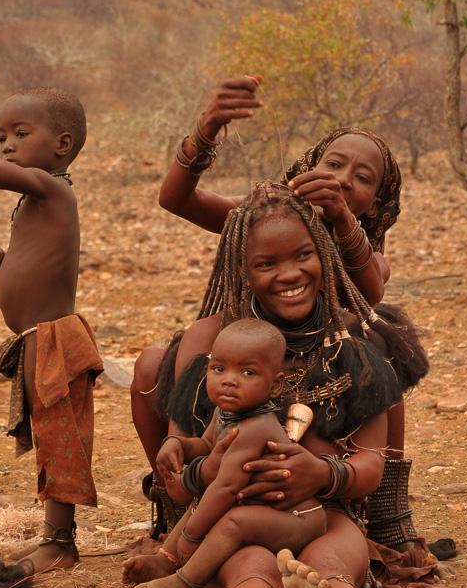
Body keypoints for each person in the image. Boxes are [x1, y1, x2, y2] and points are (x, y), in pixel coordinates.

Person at [126, 180, 435, 588]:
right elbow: (183, 473)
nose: (288, 274)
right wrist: (207, 473)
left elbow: (372, 463)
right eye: (266, 264)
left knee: (333, 566)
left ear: (324, 256)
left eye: (303, 255)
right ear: (241, 271)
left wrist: (323, 474)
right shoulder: (217, 345)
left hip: (325, 510)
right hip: (233, 519)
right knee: (250, 571)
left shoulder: (351, 344)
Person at [132, 76, 420, 552]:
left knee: (379, 354)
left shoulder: (360, 247)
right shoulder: (261, 217)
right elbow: (175, 199)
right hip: (249, 360)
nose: (345, 178)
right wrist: (207, 130)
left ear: (374, 204)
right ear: (308, 166)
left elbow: (370, 294)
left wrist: (343, 223)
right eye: (334, 163)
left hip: (317, 382)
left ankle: (388, 515)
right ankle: (179, 508)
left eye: (363, 178)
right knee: (159, 360)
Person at [0, 87, 103, 574]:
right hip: (38, 341)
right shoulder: (36, 202)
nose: (7, 145)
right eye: (2, 136)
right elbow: (34, 265)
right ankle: (53, 537)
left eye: (21, 133)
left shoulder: (53, 188)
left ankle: (60, 544)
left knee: (62, 441)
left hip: (56, 342)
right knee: (51, 440)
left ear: (61, 143)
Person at [129, 319, 327, 588]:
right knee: (205, 504)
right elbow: (207, 446)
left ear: (275, 386)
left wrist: (191, 535)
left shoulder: (256, 426)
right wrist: (178, 444)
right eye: (218, 369)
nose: (228, 380)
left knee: (232, 521)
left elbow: (225, 488)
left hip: (298, 519)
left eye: (247, 372)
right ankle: (165, 561)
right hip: (261, 506)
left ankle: (184, 583)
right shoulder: (226, 411)